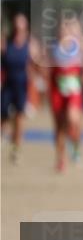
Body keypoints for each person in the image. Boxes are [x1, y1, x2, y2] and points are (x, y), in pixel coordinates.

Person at [44, 16, 83, 172]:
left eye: (69, 28)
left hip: (75, 91)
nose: (65, 31)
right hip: (57, 91)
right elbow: (45, 66)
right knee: (59, 127)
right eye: (63, 28)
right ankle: (61, 159)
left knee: (73, 120)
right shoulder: (53, 47)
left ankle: (75, 146)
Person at [1, 14, 39, 164]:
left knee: (19, 118)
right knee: (2, 115)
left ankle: (16, 149)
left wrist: (36, 81)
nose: (19, 29)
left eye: (21, 26)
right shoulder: (5, 43)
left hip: (22, 85)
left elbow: (34, 66)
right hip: (7, 84)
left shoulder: (30, 44)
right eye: (17, 26)